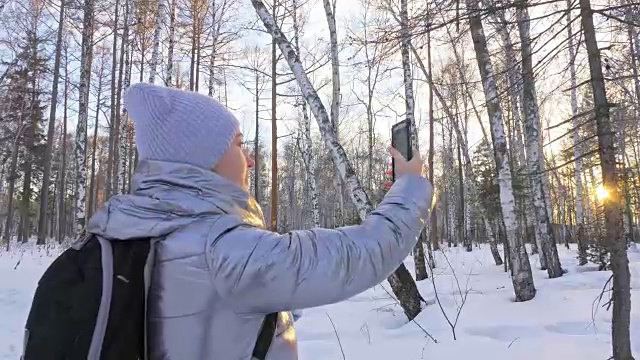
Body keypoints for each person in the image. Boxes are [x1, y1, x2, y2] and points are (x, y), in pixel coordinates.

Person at [86, 82, 433, 360]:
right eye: (239, 145)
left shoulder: (117, 234)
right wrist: (410, 187)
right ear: (204, 158)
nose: (249, 161)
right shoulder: (221, 250)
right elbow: (361, 253)